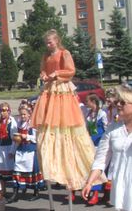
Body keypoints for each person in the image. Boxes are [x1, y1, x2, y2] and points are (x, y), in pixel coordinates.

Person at [31, 29, 99, 192]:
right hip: (50, 89)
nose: (48, 45)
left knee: (65, 120)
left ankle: (75, 167)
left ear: (56, 41)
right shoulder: (45, 56)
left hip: (61, 88)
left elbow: (70, 71)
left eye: (50, 42)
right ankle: (52, 162)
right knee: (49, 121)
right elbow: (43, 69)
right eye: (46, 43)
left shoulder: (64, 53)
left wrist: (56, 73)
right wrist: (44, 75)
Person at [81, 84, 132, 211]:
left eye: (122, 102)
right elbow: (101, 159)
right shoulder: (113, 128)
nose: (118, 105)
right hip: (123, 186)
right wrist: (89, 182)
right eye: (117, 102)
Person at [9, 105, 44, 203]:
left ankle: (36, 192)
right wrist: (12, 151)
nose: (22, 116)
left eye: (24, 114)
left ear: (29, 114)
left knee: (33, 173)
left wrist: (27, 136)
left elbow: (37, 138)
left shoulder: (33, 125)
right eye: (21, 114)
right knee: (16, 172)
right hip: (20, 151)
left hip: (30, 152)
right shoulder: (19, 124)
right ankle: (15, 194)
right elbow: (15, 141)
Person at [83, 93, 108, 204]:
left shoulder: (102, 114)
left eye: (87, 101)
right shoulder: (89, 114)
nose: (86, 103)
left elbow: (106, 129)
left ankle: (97, 194)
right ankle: (93, 192)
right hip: (91, 145)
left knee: (98, 168)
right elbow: (87, 129)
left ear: (93, 102)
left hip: (100, 145)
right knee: (91, 168)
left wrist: (104, 142)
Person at [0, 102, 18, 199]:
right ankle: (3, 190)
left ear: (9, 111)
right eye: (0, 110)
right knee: (0, 171)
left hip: (8, 148)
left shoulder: (12, 122)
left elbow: (15, 138)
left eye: (4, 110)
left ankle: (15, 192)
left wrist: (12, 151)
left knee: (11, 171)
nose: (2, 112)